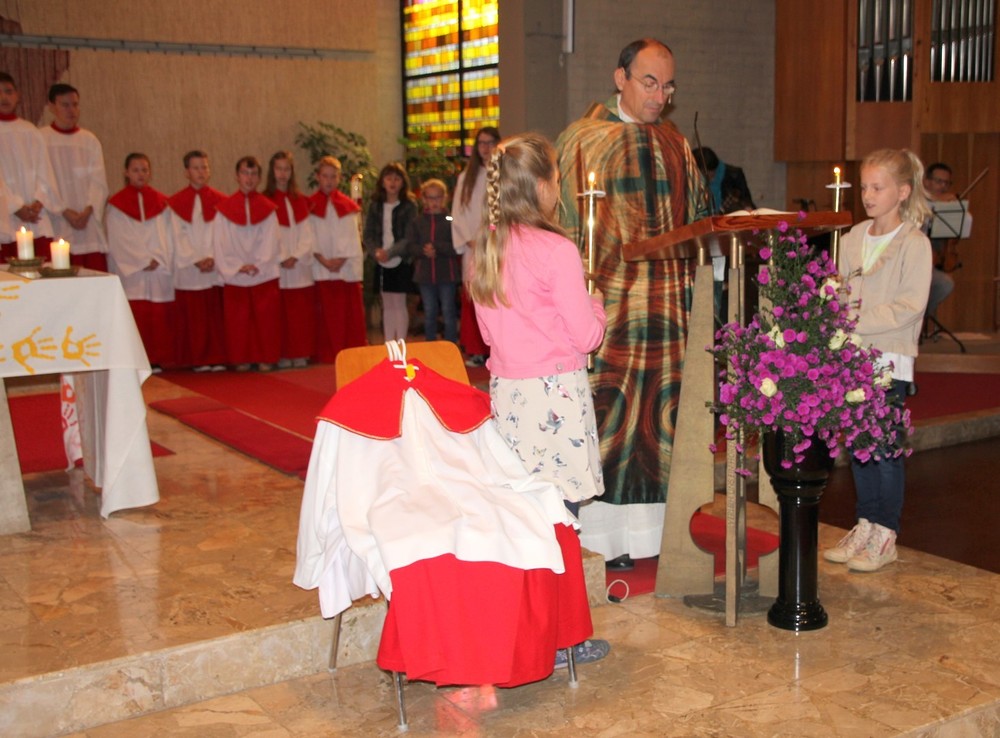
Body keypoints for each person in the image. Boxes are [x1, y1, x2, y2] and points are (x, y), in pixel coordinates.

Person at [555, 38, 710, 569]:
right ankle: (602, 538)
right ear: (619, 78)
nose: (660, 96)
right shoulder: (581, 140)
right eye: (649, 82)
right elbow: (561, 228)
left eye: (668, 86)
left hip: (666, 315)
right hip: (610, 316)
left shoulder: (676, 144)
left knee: (661, 421)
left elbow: (698, 221)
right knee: (610, 421)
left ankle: (653, 536)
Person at [468, 131, 609, 667]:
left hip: (510, 398)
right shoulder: (556, 250)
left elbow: (487, 334)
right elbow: (586, 337)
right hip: (555, 400)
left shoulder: (486, 247)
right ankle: (565, 638)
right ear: (545, 187)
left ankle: (520, 633)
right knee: (560, 519)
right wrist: (597, 304)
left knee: (523, 517)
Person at [824, 148, 932, 572]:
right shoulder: (853, 237)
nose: (867, 195)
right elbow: (840, 289)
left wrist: (853, 321)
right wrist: (833, 303)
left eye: (877, 188)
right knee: (859, 447)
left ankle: (886, 533)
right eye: (865, 187)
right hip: (853, 358)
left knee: (885, 449)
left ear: (902, 192)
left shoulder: (914, 243)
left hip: (889, 358)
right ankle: (865, 524)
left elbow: (909, 305)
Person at [106, 153, 176, 369]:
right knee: (138, 315)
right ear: (126, 173)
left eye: (144, 170)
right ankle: (137, 360)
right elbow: (119, 238)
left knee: (158, 316)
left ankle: (160, 358)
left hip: (157, 267)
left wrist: (158, 257)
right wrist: (142, 259)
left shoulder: (161, 202)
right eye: (136, 170)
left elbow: (167, 235)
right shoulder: (116, 205)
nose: (141, 174)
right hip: (134, 269)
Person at [212, 156, 281, 372]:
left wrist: (259, 263)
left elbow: (271, 240)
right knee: (238, 319)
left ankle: (265, 357)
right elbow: (220, 242)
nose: (249, 178)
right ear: (237, 176)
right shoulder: (224, 210)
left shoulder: (268, 209)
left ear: (259, 178)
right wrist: (236, 266)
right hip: (237, 273)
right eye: (244, 173)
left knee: (265, 319)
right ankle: (240, 358)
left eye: (253, 174)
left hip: (262, 273)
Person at [169, 150, 228, 371]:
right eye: (196, 168)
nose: (201, 172)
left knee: (213, 314)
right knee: (195, 317)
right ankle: (198, 358)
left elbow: (222, 234)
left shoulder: (220, 201)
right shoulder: (177, 203)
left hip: (213, 265)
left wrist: (212, 257)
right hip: (190, 267)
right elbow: (178, 235)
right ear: (187, 172)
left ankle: (216, 356)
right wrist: (195, 259)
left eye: (204, 167)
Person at [40, 83, 109, 271]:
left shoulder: (89, 140)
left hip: (87, 223)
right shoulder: (42, 139)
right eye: (65, 105)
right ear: (52, 107)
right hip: (57, 219)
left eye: (75, 104)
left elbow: (99, 181)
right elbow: (42, 181)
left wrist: (88, 209)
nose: (72, 110)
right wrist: (63, 211)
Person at [308, 156, 366, 364]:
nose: (329, 181)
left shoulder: (347, 206)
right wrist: (322, 258)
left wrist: (341, 259)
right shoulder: (310, 205)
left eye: (333, 177)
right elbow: (309, 236)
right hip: (320, 266)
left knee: (344, 314)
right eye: (325, 176)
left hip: (343, 269)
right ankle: (325, 353)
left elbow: (352, 237)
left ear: (339, 178)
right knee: (325, 314)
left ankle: (348, 351)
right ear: (318, 177)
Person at [0, 71, 63, 262]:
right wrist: (15, 206)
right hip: (5, 217)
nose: (4, 97)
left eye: (8, 91)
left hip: (35, 217)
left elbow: (45, 171)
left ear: (18, 95)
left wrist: (38, 200)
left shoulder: (30, 130)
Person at [451, 126, 500, 366]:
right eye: (481, 143)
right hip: (472, 246)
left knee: (496, 295)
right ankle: (476, 349)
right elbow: (458, 213)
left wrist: (494, 237)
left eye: (490, 143)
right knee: (473, 296)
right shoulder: (466, 178)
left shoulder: (503, 174)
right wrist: (469, 238)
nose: (486, 148)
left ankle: (497, 349)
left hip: (496, 245)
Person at [264, 151, 316, 368]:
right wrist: (283, 256)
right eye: (279, 169)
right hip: (278, 265)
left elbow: (307, 234)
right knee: (281, 314)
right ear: (272, 171)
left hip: (299, 265)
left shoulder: (299, 200)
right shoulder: (266, 201)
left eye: (286, 169)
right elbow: (269, 235)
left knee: (299, 314)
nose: (283, 174)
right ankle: (284, 353)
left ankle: (300, 352)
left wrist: (296, 256)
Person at [362, 162, 418, 342]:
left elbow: (409, 236)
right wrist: (375, 251)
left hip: (400, 259)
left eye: (397, 179)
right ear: (382, 182)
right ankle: (388, 344)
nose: (392, 183)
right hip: (380, 259)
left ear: (403, 182)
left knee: (399, 303)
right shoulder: (375, 205)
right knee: (387, 304)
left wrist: (391, 252)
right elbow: (368, 234)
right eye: (388, 178)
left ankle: (400, 343)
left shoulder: (408, 205)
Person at [406, 178, 460, 343]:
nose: (434, 202)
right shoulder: (417, 222)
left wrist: (437, 247)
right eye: (430, 198)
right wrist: (423, 251)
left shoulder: (451, 220)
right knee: (429, 311)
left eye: (438, 197)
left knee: (448, 311)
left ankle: (450, 345)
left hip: (447, 274)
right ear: (424, 199)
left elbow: (457, 246)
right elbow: (410, 246)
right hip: (425, 274)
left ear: (445, 198)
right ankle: (430, 346)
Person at [921, 162, 957, 319]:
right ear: (927, 182)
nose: (943, 186)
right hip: (912, 263)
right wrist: (938, 200)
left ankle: (921, 318)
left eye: (946, 183)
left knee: (945, 284)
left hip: (932, 262)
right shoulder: (916, 201)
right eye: (939, 181)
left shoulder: (947, 205)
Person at [690, 146, 755, 214]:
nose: (711, 178)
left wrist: (747, 207)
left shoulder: (734, 175)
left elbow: (746, 200)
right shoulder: (692, 180)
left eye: (712, 173)